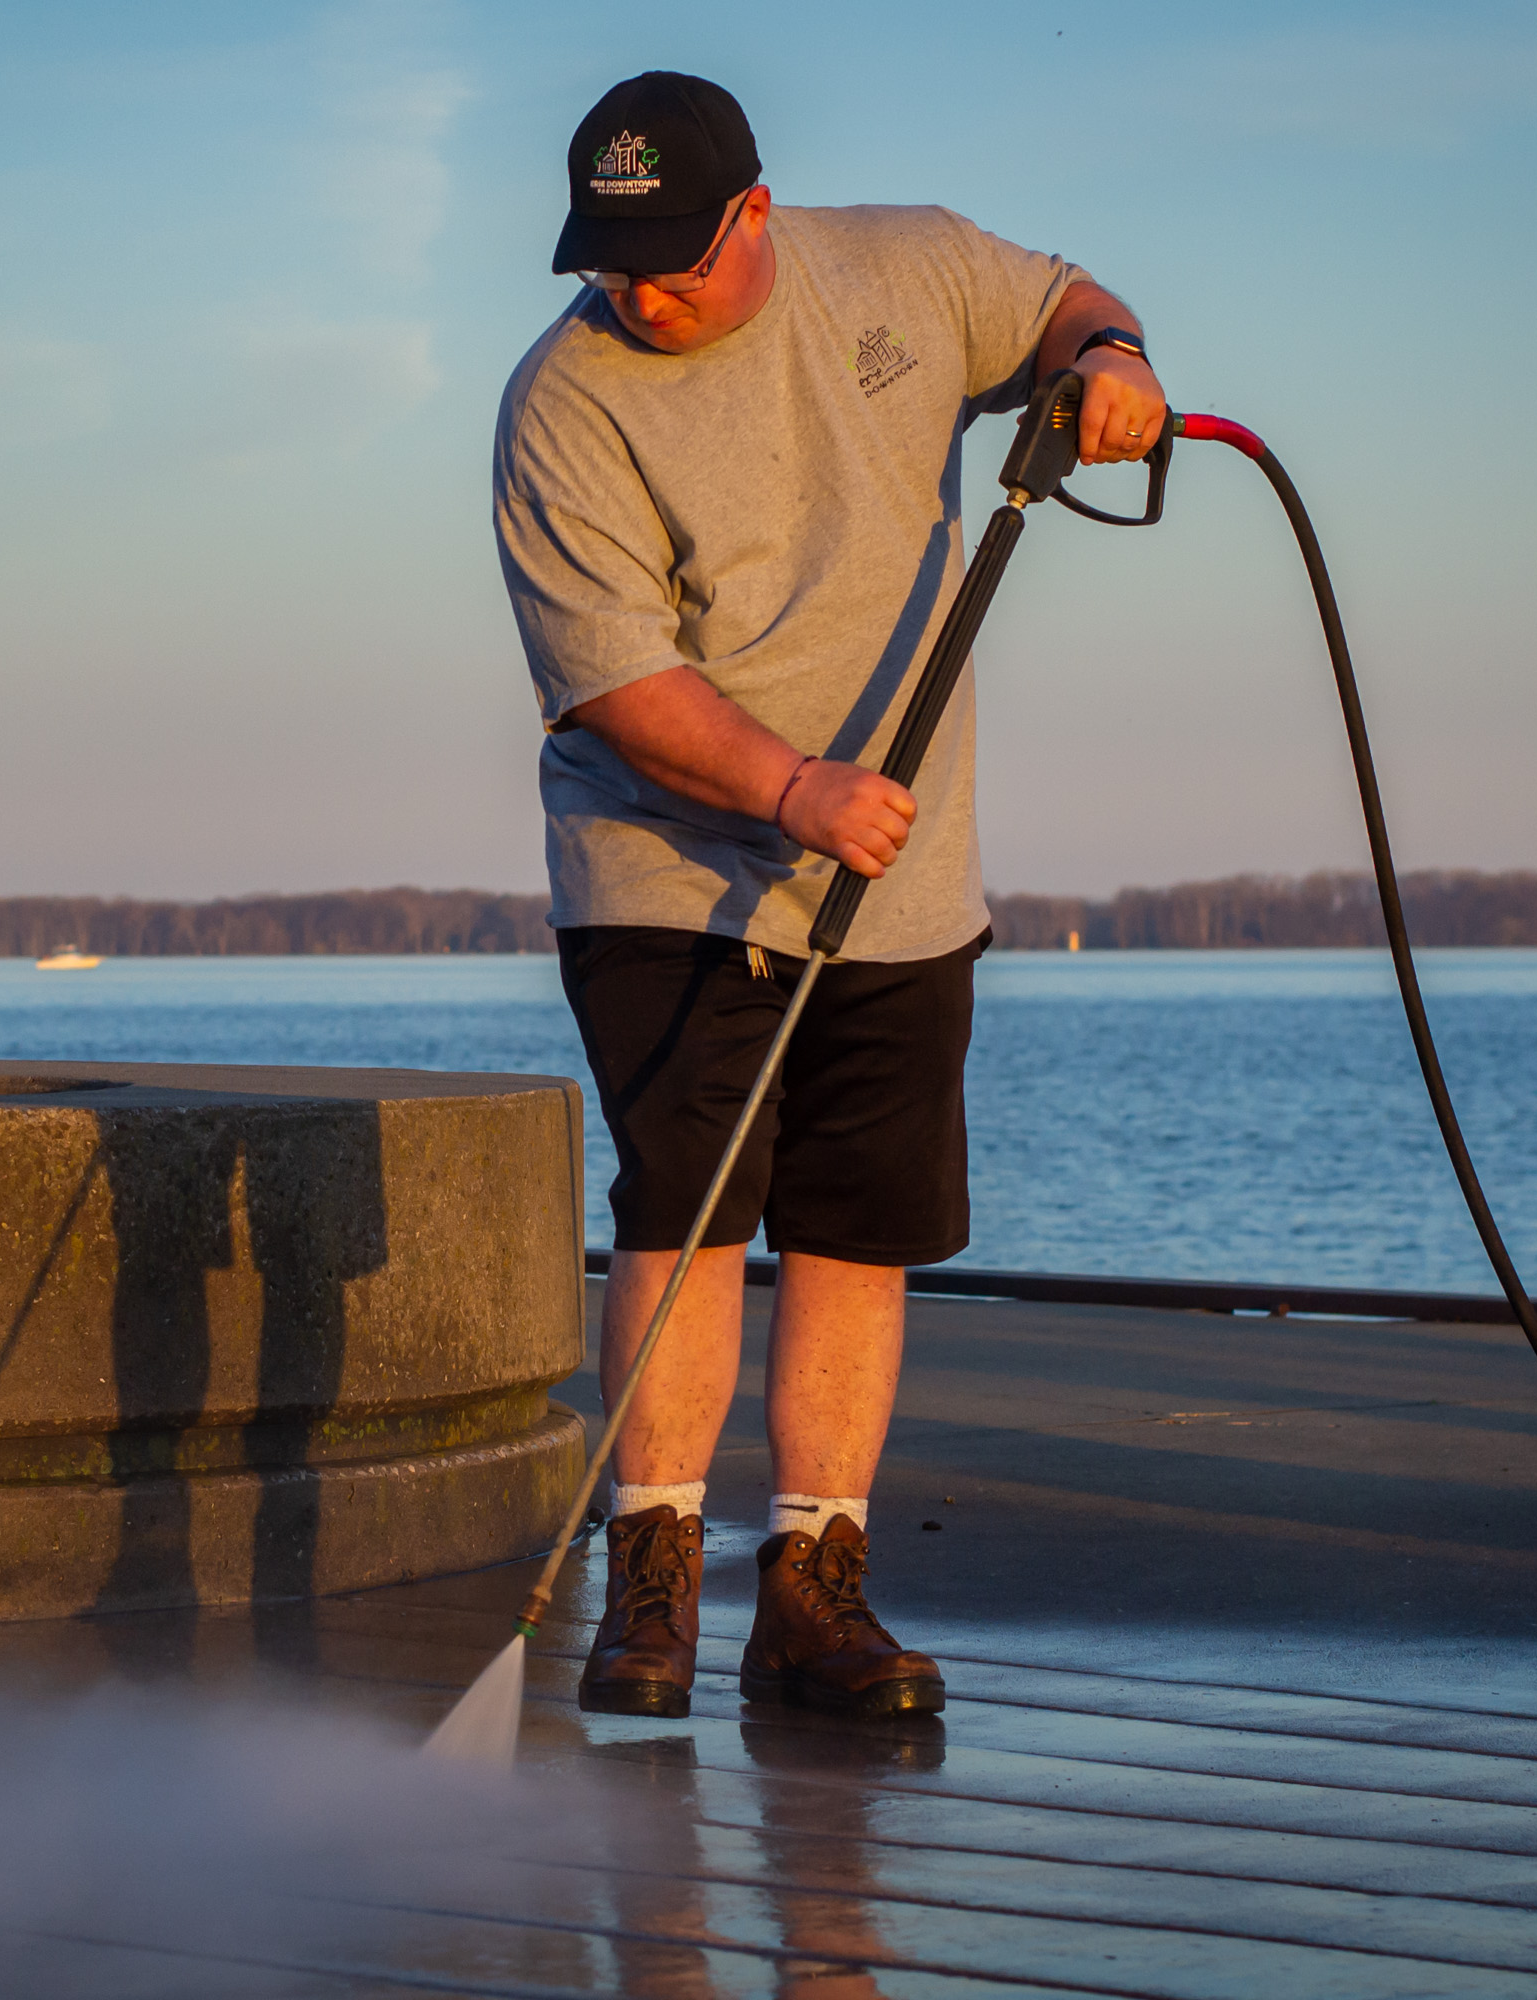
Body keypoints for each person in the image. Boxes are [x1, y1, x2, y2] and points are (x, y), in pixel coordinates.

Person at [492, 71, 1171, 1720]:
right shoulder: (560, 403)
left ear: (755, 213)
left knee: (859, 1233)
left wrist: (1110, 360)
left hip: (898, 876)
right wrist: (790, 790)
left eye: (675, 256)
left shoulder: (913, 269)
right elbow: (612, 685)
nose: (642, 293)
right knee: (689, 1203)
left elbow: (1068, 299)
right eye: (612, 264)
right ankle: (650, 1589)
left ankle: (813, 1592)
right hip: (671, 866)